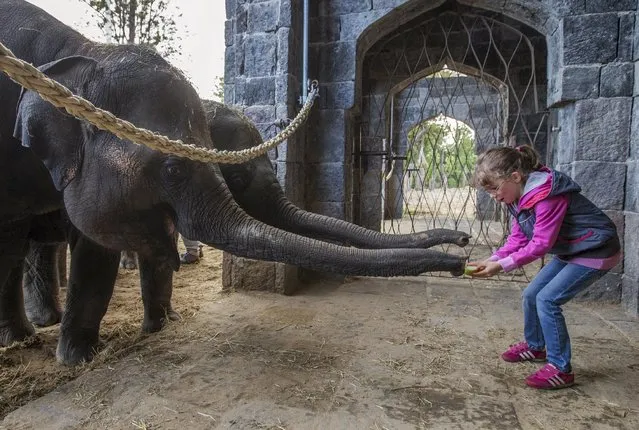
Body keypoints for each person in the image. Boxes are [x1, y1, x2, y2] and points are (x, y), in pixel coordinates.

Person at [468, 145, 621, 390]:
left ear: (515, 177)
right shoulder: (516, 197)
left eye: (495, 188)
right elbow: (518, 239)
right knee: (531, 294)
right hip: (572, 249)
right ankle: (535, 346)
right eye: (489, 192)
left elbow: (540, 244)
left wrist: (502, 266)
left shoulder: (547, 196)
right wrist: (493, 259)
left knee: (547, 300)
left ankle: (561, 369)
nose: (494, 196)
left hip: (595, 250)